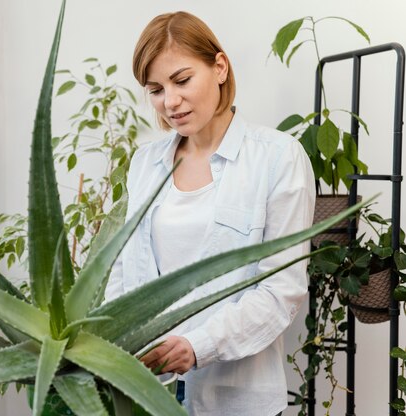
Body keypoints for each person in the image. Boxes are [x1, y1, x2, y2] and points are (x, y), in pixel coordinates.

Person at [104, 11, 315, 416]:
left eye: (182, 80)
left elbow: (281, 291)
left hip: (235, 399)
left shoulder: (277, 158)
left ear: (219, 67)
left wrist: (196, 347)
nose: (170, 102)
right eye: (156, 89)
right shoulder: (145, 163)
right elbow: (123, 274)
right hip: (145, 391)